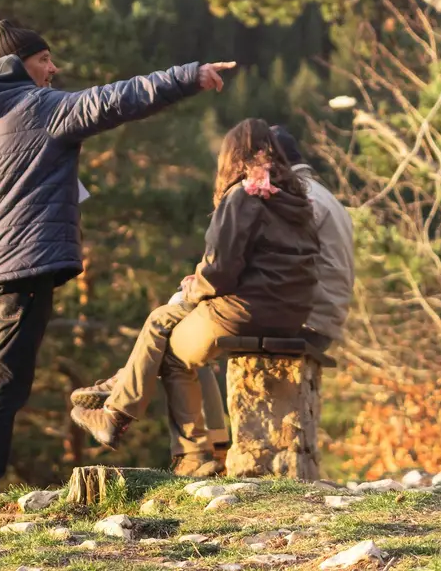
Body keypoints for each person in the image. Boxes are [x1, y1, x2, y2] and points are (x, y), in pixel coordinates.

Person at [0, 20, 233, 498]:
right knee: (5, 380)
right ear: (20, 66)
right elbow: (120, 98)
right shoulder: (42, 109)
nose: (54, 68)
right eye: (45, 60)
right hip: (23, 267)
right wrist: (190, 74)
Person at [69, 119, 320, 470]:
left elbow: (220, 270)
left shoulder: (243, 195)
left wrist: (195, 286)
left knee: (166, 340)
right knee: (166, 322)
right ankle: (120, 396)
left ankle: (181, 450)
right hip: (291, 312)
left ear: (232, 156)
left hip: (246, 311)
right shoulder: (297, 200)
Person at [271, 124, 354, 348]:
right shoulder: (323, 195)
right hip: (326, 320)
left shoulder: (299, 198)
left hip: (307, 322)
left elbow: (279, 259)